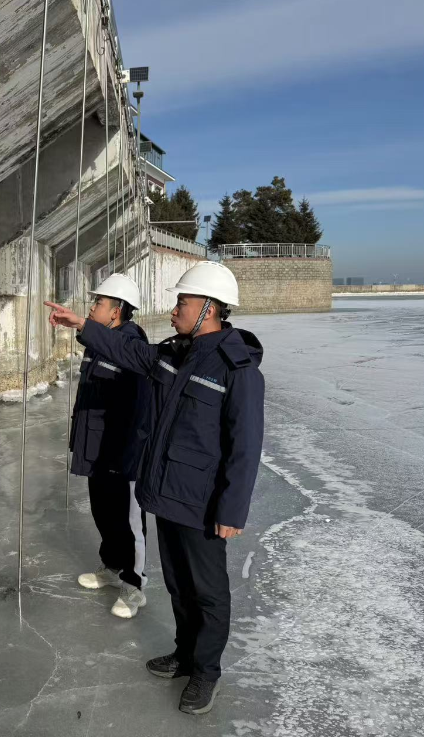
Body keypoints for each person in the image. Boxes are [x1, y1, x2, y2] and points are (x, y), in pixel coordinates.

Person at [44, 261, 264, 716]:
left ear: (209, 309)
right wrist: (83, 324)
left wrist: (232, 510)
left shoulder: (236, 369)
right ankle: (185, 654)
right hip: (165, 490)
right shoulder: (173, 353)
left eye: (183, 302)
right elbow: (128, 352)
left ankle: (206, 671)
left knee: (207, 591)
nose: (174, 310)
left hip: (203, 501)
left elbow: (245, 446)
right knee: (179, 585)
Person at [68, 274, 151, 619]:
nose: (92, 307)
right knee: (103, 511)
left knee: (128, 519)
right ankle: (112, 566)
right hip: (96, 445)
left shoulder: (131, 342)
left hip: (121, 448)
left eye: (98, 303)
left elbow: (139, 403)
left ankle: (134, 585)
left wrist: (131, 451)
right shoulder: (99, 342)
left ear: (116, 311)